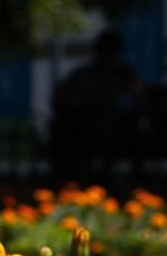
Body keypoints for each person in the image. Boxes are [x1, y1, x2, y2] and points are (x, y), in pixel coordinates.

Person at [51, 29, 143, 177]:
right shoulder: (83, 76)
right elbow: (61, 97)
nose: (107, 56)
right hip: (85, 128)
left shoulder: (125, 75)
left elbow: (138, 98)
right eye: (104, 51)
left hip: (118, 129)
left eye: (111, 51)